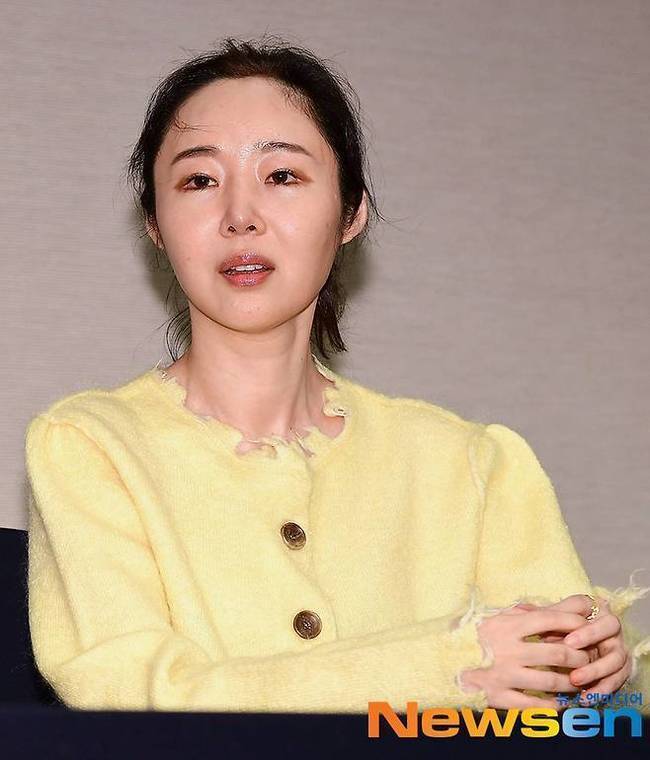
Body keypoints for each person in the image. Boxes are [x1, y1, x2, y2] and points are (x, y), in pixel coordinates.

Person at [24, 36, 650, 714]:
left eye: (282, 176)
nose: (240, 217)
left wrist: (603, 678)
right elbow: (125, 695)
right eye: (199, 181)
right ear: (154, 222)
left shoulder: (473, 464)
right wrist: (446, 669)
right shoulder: (91, 447)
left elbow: (580, 720)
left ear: (352, 212)